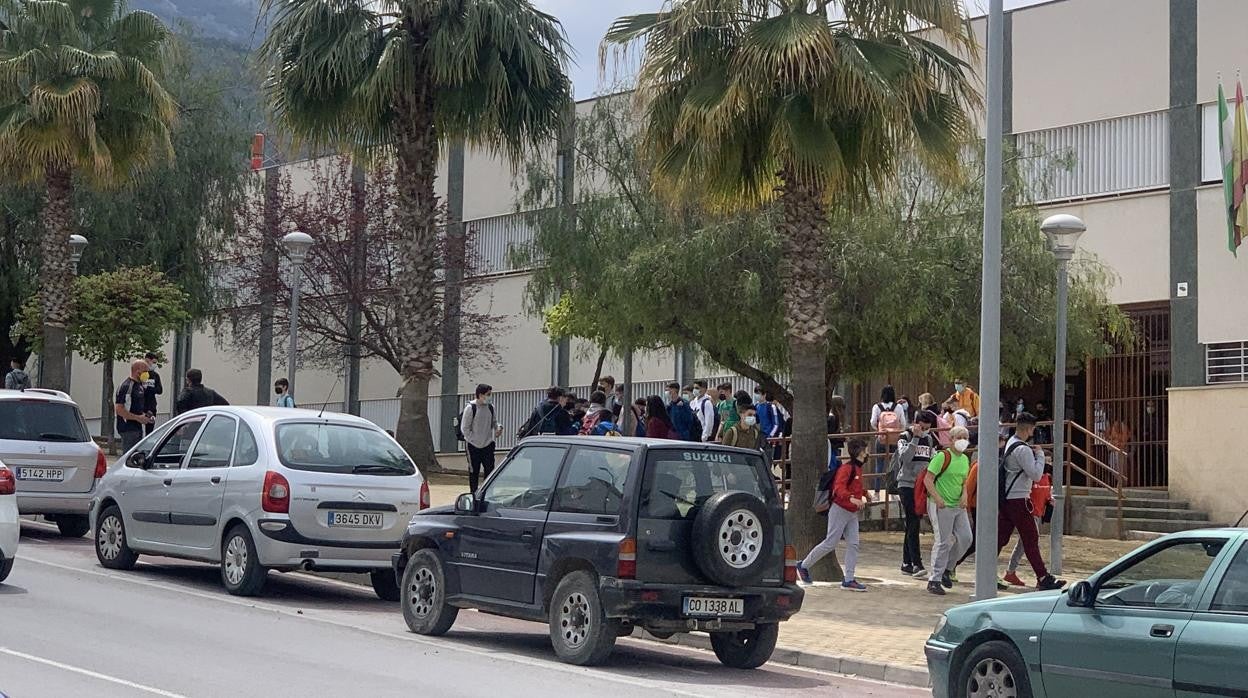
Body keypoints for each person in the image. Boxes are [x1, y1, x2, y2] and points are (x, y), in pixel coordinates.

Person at [997, 413, 1065, 591]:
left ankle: (985, 570)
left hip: (1008, 498)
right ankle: (1043, 577)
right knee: (1030, 538)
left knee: (1001, 538)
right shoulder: (1023, 449)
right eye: (1033, 428)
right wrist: (1041, 455)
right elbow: (1035, 474)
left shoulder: (1010, 443)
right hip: (1019, 499)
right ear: (1029, 428)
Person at [796, 438, 871, 592]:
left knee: (854, 544)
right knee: (830, 542)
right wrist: (853, 499)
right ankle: (803, 565)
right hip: (840, 509)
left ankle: (849, 579)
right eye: (865, 448)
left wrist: (863, 494)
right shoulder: (847, 468)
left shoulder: (856, 468)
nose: (867, 451)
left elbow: (853, 487)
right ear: (859, 451)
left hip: (851, 511)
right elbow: (839, 489)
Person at [925, 426, 974, 596]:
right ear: (951, 439)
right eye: (959, 437)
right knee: (942, 541)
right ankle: (934, 579)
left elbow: (963, 482)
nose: (962, 440)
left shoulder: (965, 460)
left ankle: (948, 567)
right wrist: (937, 498)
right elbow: (928, 479)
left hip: (957, 506)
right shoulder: (942, 456)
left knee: (966, 538)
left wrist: (965, 495)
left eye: (965, 437)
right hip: (941, 505)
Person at [895, 411, 939, 577]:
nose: (925, 430)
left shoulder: (929, 440)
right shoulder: (904, 437)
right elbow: (905, 458)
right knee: (913, 521)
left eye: (928, 428)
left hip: (921, 486)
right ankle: (916, 562)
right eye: (922, 427)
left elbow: (932, 460)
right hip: (906, 484)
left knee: (913, 522)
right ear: (916, 423)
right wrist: (914, 438)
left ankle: (906, 562)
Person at [1004, 461, 1055, 588]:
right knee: (1030, 542)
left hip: (1038, 514)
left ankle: (1011, 571)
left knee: (1023, 544)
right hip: (1028, 513)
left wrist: (1049, 502)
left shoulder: (1047, 477)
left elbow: (1046, 494)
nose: (1047, 463)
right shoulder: (1031, 478)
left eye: (1049, 460)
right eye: (1044, 460)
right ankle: (1040, 576)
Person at [461, 384, 503, 493]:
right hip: (473, 445)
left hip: (488, 444)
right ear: (480, 395)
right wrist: (474, 439)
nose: (490, 397)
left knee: (489, 470)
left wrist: (498, 427)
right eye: (488, 395)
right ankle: (473, 494)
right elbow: (464, 428)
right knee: (474, 471)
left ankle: (487, 493)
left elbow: (494, 422)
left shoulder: (490, 407)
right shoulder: (471, 408)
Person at [870, 385, 907, 489]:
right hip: (895, 439)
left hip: (881, 438)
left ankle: (877, 488)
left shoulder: (877, 407)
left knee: (879, 464)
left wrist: (878, 429)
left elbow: (873, 422)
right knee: (894, 464)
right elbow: (903, 423)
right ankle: (892, 488)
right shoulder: (898, 407)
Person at [115, 360, 153, 452]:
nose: (147, 375)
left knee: (136, 455)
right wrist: (137, 418)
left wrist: (145, 417)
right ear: (137, 371)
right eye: (145, 372)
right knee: (129, 456)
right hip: (128, 428)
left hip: (137, 427)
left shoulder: (139, 386)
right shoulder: (127, 386)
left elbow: (135, 407)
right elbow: (119, 409)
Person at [139, 353, 164, 433]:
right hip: (140, 405)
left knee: (150, 429)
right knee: (137, 428)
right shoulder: (140, 374)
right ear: (147, 361)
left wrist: (150, 388)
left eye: (155, 363)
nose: (154, 365)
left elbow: (160, 390)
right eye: (153, 362)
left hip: (151, 405)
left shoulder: (155, 375)